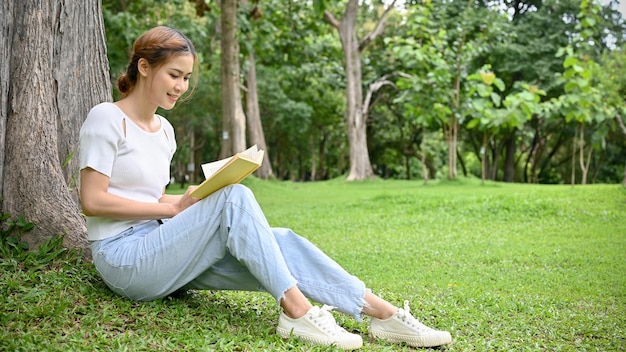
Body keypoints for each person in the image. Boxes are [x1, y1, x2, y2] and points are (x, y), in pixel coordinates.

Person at [79, 25, 452, 350]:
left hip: (165, 248)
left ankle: (382, 315)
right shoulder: (107, 118)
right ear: (144, 67)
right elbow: (92, 201)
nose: (181, 86)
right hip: (125, 260)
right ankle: (296, 311)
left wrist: (191, 200)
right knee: (235, 197)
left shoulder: (165, 132)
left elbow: (154, 197)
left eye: (187, 78)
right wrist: (176, 209)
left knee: (281, 242)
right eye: (174, 75)